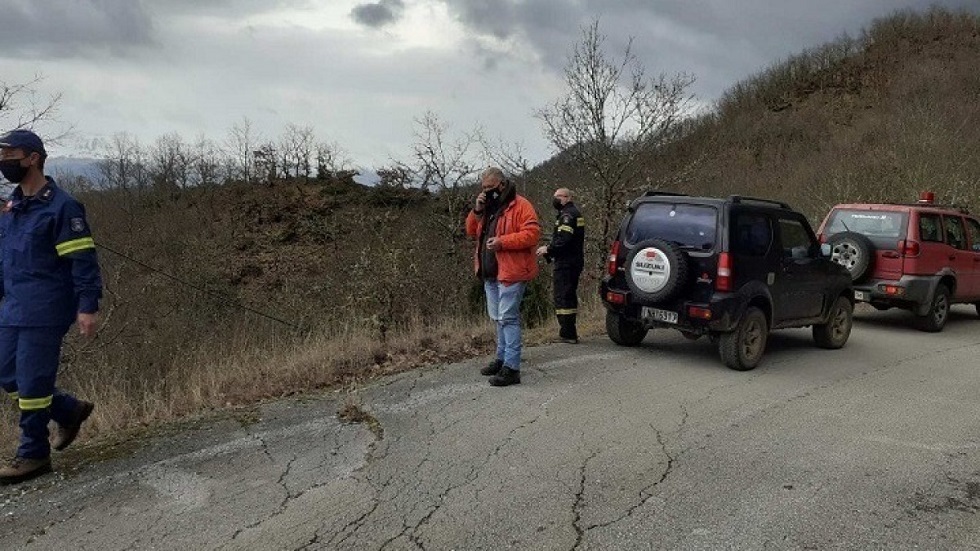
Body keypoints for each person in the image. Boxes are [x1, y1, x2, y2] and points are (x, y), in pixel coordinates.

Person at [0, 129, 102, 485]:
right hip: (13, 308)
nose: (4, 161)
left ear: (33, 158)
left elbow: (83, 261)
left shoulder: (63, 207)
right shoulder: (12, 208)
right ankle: (67, 409)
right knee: (7, 373)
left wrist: (88, 306)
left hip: (45, 308)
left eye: (11, 154)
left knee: (31, 381)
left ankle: (33, 454)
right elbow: (7, 261)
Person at [465, 167, 540, 387]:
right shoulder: (487, 206)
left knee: (508, 318)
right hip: (491, 273)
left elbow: (532, 234)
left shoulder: (521, 205)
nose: (487, 191)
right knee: (498, 319)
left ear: (502, 184)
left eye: (490, 187)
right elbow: (471, 231)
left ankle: (512, 367)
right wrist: (477, 210)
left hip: (512, 272)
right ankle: (501, 359)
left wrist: (503, 242)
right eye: (484, 188)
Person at [537, 188, 585, 343]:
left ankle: (568, 333)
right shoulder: (570, 213)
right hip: (571, 261)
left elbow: (564, 240)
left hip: (567, 263)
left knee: (563, 297)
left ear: (567, 197)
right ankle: (568, 331)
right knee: (567, 295)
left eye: (558, 197)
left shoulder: (568, 215)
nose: (555, 199)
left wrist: (549, 249)